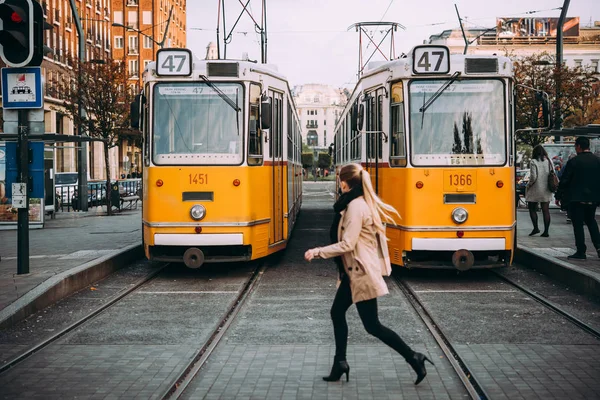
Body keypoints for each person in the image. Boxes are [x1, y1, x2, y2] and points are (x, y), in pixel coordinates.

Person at [304, 163, 433, 385]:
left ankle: (414, 357)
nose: (339, 183)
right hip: (353, 271)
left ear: (344, 182)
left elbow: (347, 244)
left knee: (372, 325)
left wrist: (317, 252)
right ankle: (340, 362)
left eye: (339, 180)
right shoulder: (356, 202)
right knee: (339, 314)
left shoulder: (356, 206)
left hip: (360, 273)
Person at [556, 137, 600, 260]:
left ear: (579, 147)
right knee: (591, 221)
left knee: (578, 224)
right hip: (593, 198)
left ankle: (581, 251)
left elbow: (565, 180)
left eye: (576, 146)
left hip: (576, 198)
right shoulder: (597, 161)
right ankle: (599, 247)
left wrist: (558, 195)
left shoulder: (574, 162)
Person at [525, 145, 553, 237]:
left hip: (535, 188)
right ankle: (546, 231)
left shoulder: (533, 161)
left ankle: (536, 228)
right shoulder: (549, 161)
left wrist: (528, 185)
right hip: (546, 189)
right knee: (546, 210)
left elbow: (533, 176)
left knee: (532, 209)